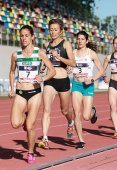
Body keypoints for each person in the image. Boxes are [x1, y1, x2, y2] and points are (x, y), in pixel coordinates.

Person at [8, 25, 56, 163]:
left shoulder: (39, 53)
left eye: (26, 35)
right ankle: (26, 115)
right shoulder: (15, 55)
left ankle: (30, 153)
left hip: (35, 93)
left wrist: (43, 78)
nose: (24, 38)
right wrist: (12, 88)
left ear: (32, 37)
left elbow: (52, 71)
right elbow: (12, 72)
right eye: (22, 36)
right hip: (21, 92)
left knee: (30, 126)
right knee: (15, 123)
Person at [38, 18, 76, 149]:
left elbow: (73, 63)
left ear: (61, 31)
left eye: (55, 30)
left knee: (64, 110)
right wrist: (43, 66)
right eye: (51, 29)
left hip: (63, 80)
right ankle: (45, 138)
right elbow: (47, 60)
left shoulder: (66, 44)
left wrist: (59, 57)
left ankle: (70, 122)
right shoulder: (47, 45)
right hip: (50, 80)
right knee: (46, 109)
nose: (53, 32)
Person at [71, 31, 103, 149]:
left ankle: (93, 112)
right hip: (76, 85)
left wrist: (93, 79)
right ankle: (80, 140)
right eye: (78, 39)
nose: (80, 41)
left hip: (88, 86)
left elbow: (101, 70)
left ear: (86, 41)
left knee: (86, 116)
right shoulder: (73, 53)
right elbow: (68, 64)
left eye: (82, 39)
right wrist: (69, 68)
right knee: (76, 113)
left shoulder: (91, 54)